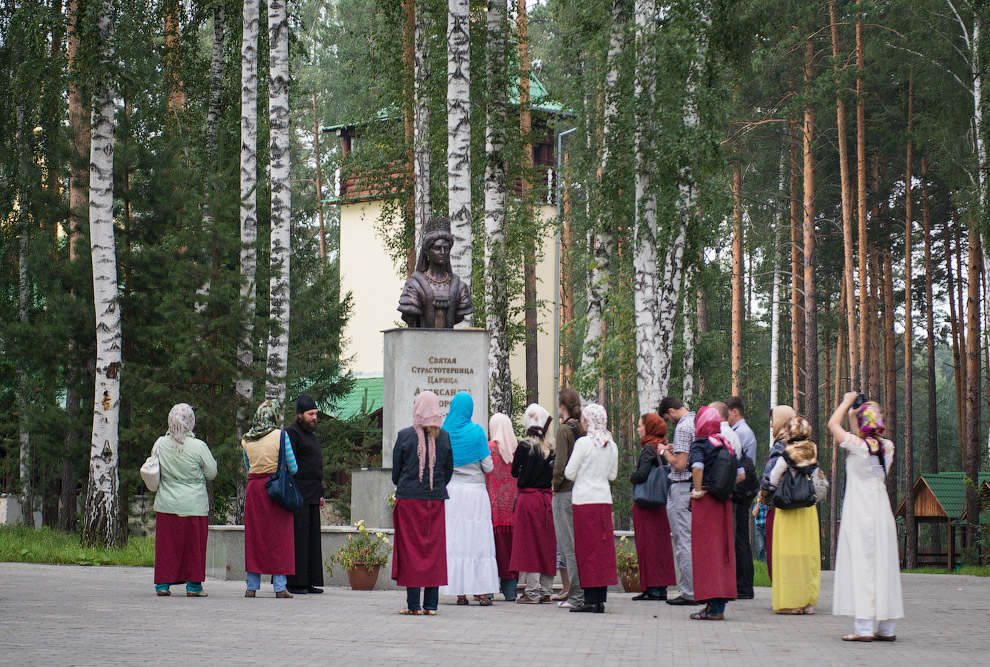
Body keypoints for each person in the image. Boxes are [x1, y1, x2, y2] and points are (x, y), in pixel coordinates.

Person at [828, 393, 904, 642]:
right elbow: (859, 438)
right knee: (883, 564)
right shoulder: (888, 446)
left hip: (860, 511)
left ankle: (862, 628)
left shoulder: (858, 446)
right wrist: (855, 416)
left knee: (862, 564)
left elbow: (832, 425)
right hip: (881, 509)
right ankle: (887, 628)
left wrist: (847, 402)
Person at [391, 391, 454, 615]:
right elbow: (448, 472)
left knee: (411, 552)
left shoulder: (404, 435)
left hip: (409, 501)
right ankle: (431, 606)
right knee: (433, 552)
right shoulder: (444, 437)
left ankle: (413, 605)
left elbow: (395, 474)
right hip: (435, 501)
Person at [439, 392, 499, 605]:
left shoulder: (444, 432)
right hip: (475, 494)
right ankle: (481, 592)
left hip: (453, 492)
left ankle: (460, 592)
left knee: (457, 541)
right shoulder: (477, 432)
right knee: (478, 540)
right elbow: (489, 467)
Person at [152, 404, 217, 597]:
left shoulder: (160, 444)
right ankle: (194, 587)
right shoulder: (198, 446)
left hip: (167, 503)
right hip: (193, 503)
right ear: (190, 421)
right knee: (193, 547)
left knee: (167, 547)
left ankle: (163, 585)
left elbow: (153, 468)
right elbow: (211, 473)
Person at [688, 406, 745, 620]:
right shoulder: (726, 444)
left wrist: (699, 490)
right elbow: (741, 474)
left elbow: (697, 468)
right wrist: (725, 488)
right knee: (722, 554)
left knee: (707, 554)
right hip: (724, 504)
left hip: (707, 505)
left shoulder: (701, 444)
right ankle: (719, 607)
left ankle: (711, 608)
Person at [564, 403, 618, 613]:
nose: (582, 423)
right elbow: (612, 475)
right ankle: (600, 599)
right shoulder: (611, 444)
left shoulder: (583, 443)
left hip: (584, 501)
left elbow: (569, 472)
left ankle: (589, 600)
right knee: (602, 550)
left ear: (590, 421)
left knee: (586, 551)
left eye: (584, 419)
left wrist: (584, 476)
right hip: (603, 500)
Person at [241, 399, 297, 598]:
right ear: (275, 416)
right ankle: (280, 587)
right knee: (279, 537)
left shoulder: (246, 439)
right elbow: (293, 466)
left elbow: (248, 467)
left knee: (255, 537)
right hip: (275, 489)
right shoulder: (281, 436)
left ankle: (251, 586)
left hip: (254, 489)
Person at [767, 416, 821, 615]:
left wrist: (769, 491)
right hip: (807, 509)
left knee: (787, 555)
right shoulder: (812, 450)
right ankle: (807, 602)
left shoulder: (787, 453)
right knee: (808, 555)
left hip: (788, 509)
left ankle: (791, 602)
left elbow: (773, 478)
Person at [510, 404, 557, 604]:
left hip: (527, 500)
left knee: (529, 545)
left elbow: (514, 472)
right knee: (546, 544)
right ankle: (546, 591)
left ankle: (531, 591)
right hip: (547, 500)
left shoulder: (524, 446)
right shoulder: (552, 448)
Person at [628, 413, 676, 601]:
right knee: (660, 546)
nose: (638, 429)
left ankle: (652, 589)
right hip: (659, 502)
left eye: (641, 426)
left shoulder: (649, 448)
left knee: (648, 545)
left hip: (646, 504)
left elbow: (642, 474)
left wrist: (631, 477)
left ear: (649, 428)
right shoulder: (663, 447)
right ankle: (660, 587)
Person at [657, 396, 699, 606]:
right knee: (691, 540)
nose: (669, 422)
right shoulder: (695, 421)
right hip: (692, 488)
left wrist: (665, 452)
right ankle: (696, 588)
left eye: (667, 418)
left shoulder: (682, 427)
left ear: (672, 411)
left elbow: (681, 464)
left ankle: (689, 592)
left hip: (681, 488)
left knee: (683, 542)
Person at [397, 217, 474, 328]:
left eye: (446, 248)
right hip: (421, 343)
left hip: (451, 343)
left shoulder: (460, 287)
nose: (442, 252)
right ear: (427, 251)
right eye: (437, 248)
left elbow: (460, 315)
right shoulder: (414, 285)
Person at [285, 395, 326, 595]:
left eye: (316, 414)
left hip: (312, 495)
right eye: (310, 414)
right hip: (297, 495)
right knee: (299, 540)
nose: (314, 418)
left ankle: (309, 580)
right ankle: (295, 582)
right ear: (299, 414)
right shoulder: (291, 433)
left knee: (311, 541)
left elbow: (314, 464)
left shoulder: (310, 434)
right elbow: (288, 465)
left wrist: (320, 494)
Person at [551, 388, 584, 608]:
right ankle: (580, 592)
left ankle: (575, 595)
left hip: (564, 493)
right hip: (581, 491)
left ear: (562, 405)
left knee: (567, 546)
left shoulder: (564, 430)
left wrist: (554, 486)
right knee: (577, 544)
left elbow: (559, 465)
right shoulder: (582, 428)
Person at [726, 396, 758, 599]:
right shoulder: (742, 432)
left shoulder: (742, 433)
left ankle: (744, 586)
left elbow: (743, 463)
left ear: (735, 412)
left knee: (741, 539)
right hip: (742, 489)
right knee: (740, 538)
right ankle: (742, 585)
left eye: (727, 413)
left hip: (741, 490)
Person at [761, 404, 796, 582]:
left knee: (776, 553)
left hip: (779, 507)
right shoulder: (801, 443)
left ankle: (783, 594)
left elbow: (768, 479)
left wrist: (762, 495)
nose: (770, 425)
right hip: (799, 509)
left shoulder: (780, 447)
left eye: (773, 420)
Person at [486, 412, 519, 601]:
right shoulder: (516, 449)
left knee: (492, 550)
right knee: (510, 551)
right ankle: (511, 591)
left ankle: (489, 589)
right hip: (513, 511)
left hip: (493, 510)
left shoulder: (489, 448)